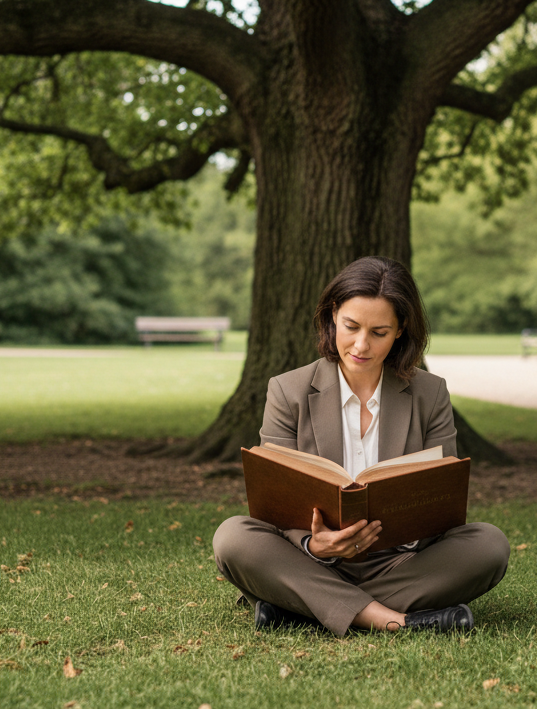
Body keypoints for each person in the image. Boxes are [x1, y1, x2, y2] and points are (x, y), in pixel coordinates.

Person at [213, 256, 510, 635]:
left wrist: (409, 527)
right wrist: (314, 546)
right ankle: (395, 621)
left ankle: (301, 607)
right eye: (351, 326)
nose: (361, 345)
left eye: (379, 332)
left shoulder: (430, 393)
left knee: (489, 544)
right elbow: (275, 504)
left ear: (401, 330)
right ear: (333, 314)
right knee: (233, 537)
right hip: (313, 559)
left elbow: (444, 500)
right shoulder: (288, 390)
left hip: (402, 561)